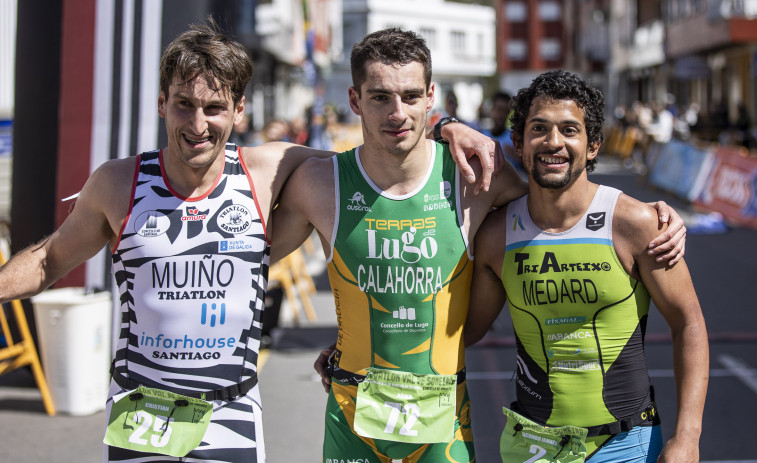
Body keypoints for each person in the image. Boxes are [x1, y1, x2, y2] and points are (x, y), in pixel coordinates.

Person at [0, 22, 499, 463]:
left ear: (239, 110)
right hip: (141, 407)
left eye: (214, 107)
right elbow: (48, 260)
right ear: (162, 103)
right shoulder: (117, 183)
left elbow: (381, 153)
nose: (198, 125)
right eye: (184, 105)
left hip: (230, 411)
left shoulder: (273, 170)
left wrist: (449, 127)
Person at [272, 29, 687, 463]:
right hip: (352, 407)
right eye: (380, 98)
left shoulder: (474, 178)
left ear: (430, 97)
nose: (397, 112)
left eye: (411, 96)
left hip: (447, 415)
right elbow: (250, 255)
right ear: (355, 101)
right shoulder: (319, 185)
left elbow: (557, 200)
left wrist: (647, 215)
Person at [465, 70, 708, 463]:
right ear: (519, 143)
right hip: (531, 446)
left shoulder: (636, 223)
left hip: (627, 445)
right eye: (539, 128)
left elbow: (689, 323)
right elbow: (464, 332)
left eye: (569, 130)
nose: (553, 142)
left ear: (593, 144)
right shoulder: (496, 235)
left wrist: (687, 438)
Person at [481, 91, 526, 179]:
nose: (501, 115)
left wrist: (518, 158)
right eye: (499, 109)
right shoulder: (481, 137)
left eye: (506, 111)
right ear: (491, 109)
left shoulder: (516, 139)